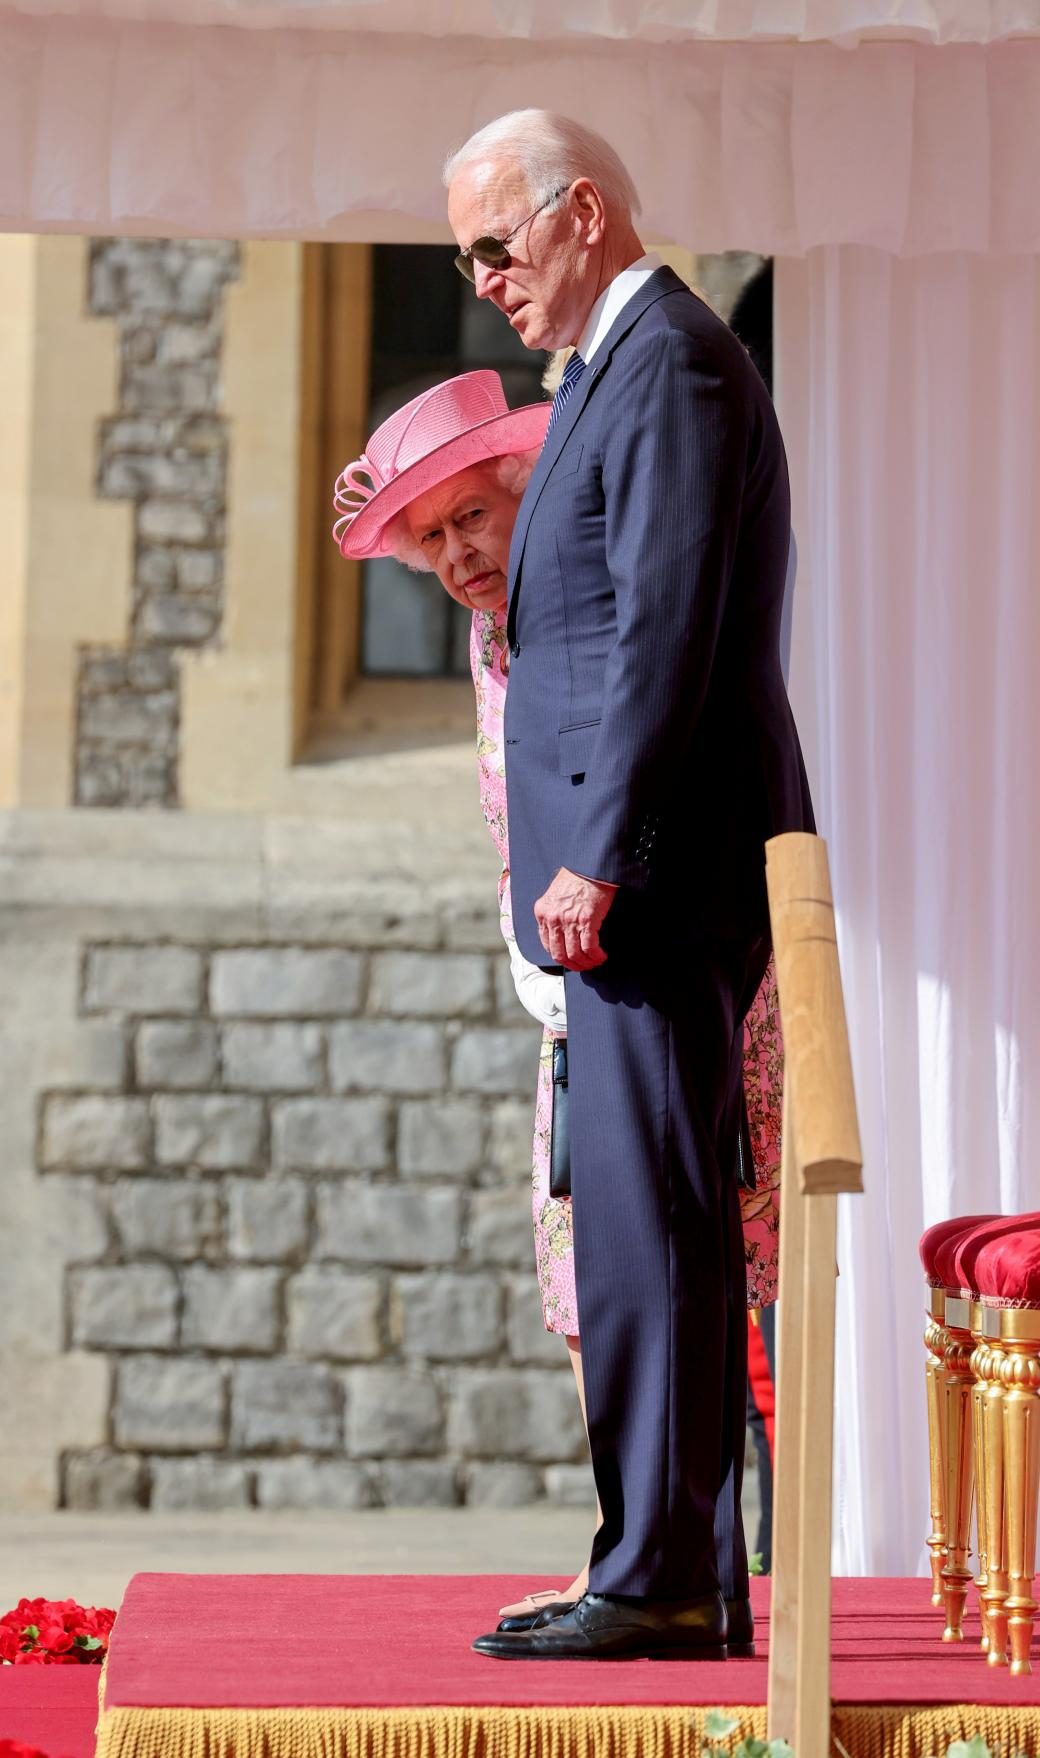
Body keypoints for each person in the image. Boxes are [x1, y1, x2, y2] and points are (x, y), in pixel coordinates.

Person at [332, 366, 787, 1638]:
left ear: (526, 482)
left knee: (723, 1269)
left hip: (657, 955)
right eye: (429, 541)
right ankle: (655, 1560)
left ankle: (699, 1574)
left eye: (471, 517)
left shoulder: (579, 566)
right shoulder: (496, 616)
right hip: (570, 977)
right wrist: (400, 501)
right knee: (595, 1285)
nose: (459, 554)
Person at [440, 110, 813, 1663]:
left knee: (659, 1230)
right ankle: (655, 1559)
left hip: (646, 885)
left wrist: (599, 846)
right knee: (635, 1236)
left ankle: (660, 1573)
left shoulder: (665, 360)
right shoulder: (612, 367)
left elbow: (664, 621)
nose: (482, 283)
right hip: (618, 890)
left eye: (493, 245)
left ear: (579, 211)